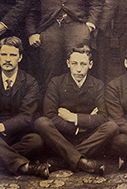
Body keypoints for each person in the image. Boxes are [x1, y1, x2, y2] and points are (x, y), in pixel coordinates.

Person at [34, 45, 118, 175]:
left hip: (88, 137)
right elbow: (50, 115)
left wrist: (73, 118)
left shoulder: (98, 85)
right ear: (68, 63)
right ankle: (82, 162)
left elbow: (102, 117)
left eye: (83, 64)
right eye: (74, 63)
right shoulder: (56, 82)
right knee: (41, 122)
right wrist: (76, 128)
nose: (78, 69)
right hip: (61, 136)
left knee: (111, 127)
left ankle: (63, 160)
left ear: (90, 65)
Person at [0, 36, 49, 179]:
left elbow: (26, 117)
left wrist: (0, 127)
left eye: (12, 55)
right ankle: (25, 166)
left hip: (16, 134)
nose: (8, 59)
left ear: (20, 58)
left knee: (36, 141)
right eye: (4, 54)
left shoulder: (30, 82)